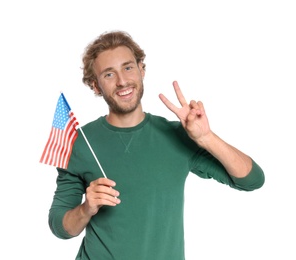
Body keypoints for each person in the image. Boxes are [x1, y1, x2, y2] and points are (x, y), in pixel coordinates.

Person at [48, 30, 265, 260]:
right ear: (95, 85)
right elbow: (60, 227)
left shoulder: (177, 135)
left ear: (142, 70)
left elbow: (252, 180)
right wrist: (86, 209)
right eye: (109, 74)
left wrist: (206, 138)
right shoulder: (79, 142)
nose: (122, 81)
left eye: (128, 67)